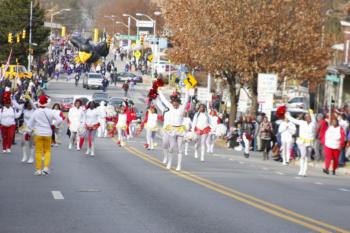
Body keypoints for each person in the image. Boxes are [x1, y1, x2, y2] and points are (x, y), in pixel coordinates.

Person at [27, 95, 63, 175]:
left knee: (38, 152)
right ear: (47, 103)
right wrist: (54, 125)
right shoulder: (51, 111)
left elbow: (29, 124)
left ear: (39, 103)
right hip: (48, 134)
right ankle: (46, 168)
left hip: (38, 133)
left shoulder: (36, 112)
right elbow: (60, 119)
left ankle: (39, 170)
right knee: (47, 151)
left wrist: (29, 132)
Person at [158, 88, 189, 171]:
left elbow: (186, 100)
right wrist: (159, 91)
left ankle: (179, 165)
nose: (175, 105)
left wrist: (187, 90)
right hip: (171, 129)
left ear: (178, 103)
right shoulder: (170, 107)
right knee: (171, 148)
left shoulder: (182, 108)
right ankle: (169, 162)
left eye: (176, 103)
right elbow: (164, 100)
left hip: (180, 129)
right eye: (173, 103)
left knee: (179, 148)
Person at [287, 110, 316, 177]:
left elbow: (314, 118)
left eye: (309, 117)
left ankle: (304, 171)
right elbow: (293, 120)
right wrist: (288, 115)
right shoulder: (302, 122)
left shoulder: (313, 123)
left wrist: (311, 113)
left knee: (307, 157)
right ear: (305, 118)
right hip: (302, 141)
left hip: (309, 142)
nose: (308, 118)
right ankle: (301, 170)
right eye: (307, 117)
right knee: (303, 155)